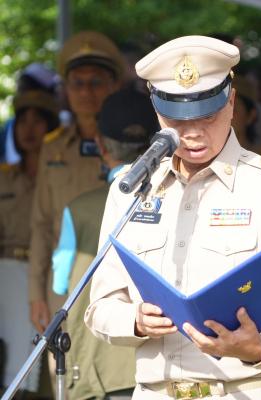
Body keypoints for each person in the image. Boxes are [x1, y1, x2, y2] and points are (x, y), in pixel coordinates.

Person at [84, 35, 261, 400]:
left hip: (242, 391)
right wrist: (135, 320)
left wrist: (257, 347)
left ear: (231, 102)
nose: (193, 132)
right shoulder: (132, 190)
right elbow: (99, 307)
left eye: (207, 115)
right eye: (177, 119)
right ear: (157, 111)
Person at [50, 84, 159, 400]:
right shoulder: (180, 201)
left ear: (99, 144)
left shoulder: (79, 210)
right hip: (162, 367)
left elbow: (60, 285)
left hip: (98, 372)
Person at [28, 30, 124, 335]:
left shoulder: (133, 145)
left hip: (119, 283)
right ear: (66, 90)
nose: (86, 92)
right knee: (65, 363)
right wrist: (36, 293)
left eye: (96, 82)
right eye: (77, 83)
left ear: (114, 86)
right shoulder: (52, 148)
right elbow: (41, 225)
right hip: (64, 283)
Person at [0, 90, 60, 394]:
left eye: (38, 121)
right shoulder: (4, 177)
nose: (29, 128)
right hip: (7, 275)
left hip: (50, 273)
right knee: (8, 360)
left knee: (43, 363)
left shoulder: (60, 174)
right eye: (22, 121)